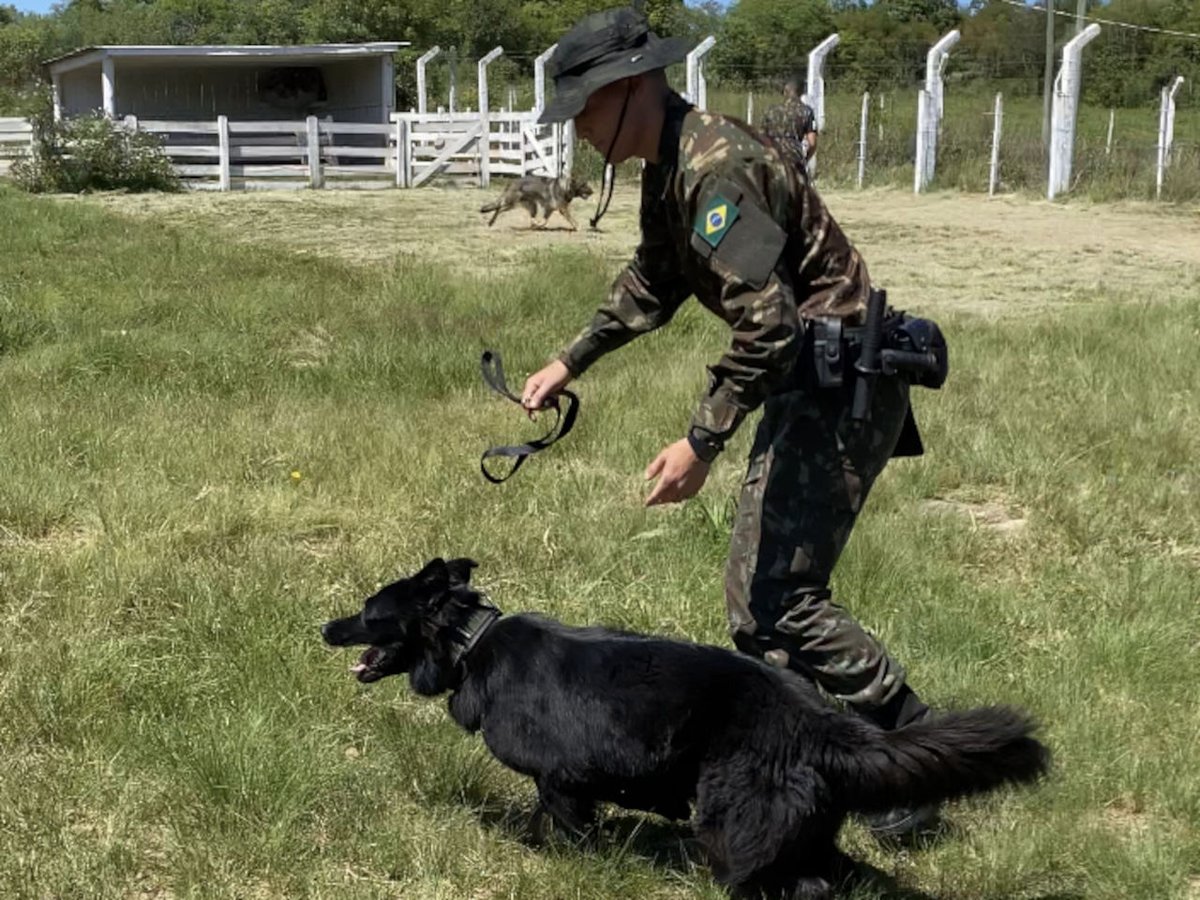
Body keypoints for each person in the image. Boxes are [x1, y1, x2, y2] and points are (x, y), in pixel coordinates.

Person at [523, 6, 938, 838]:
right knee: (760, 606)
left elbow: (769, 326)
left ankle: (915, 756)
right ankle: (816, 771)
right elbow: (654, 278)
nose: (579, 132)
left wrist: (700, 442)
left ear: (632, 87)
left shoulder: (716, 166)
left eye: (586, 110)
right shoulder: (668, 164)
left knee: (780, 600)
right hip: (808, 381)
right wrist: (572, 360)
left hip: (839, 387)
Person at [761, 77, 818, 164]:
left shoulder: (770, 111)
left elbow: (761, 137)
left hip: (772, 156)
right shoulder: (806, 111)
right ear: (801, 93)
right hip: (793, 156)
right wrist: (805, 160)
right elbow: (812, 143)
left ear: (785, 92)